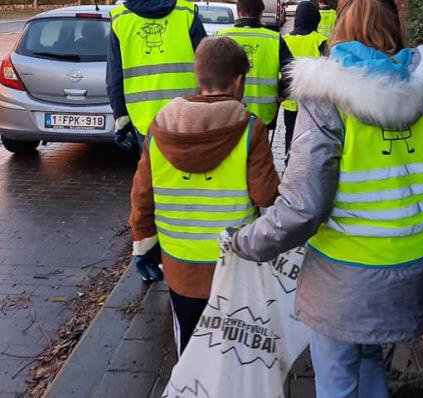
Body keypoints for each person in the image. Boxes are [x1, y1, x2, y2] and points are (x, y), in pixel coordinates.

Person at [222, 0, 423, 396]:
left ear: (341, 29)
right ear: (396, 27)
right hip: (413, 274)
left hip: (342, 283)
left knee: (337, 380)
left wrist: (245, 241)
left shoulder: (326, 98)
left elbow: (303, 208)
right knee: (370, 356)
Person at [129, 36, 280, 355]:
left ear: (199, 77)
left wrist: (143, 245)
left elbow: (142, 195)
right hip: (232, 265)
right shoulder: (250, 129)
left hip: (179, 264)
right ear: (239, 81)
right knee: (231, 348)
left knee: (188, 349)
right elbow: (266, 195)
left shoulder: (160, 128)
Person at [106, 0, 207, 154]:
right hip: (187, 114)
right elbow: (207, 64)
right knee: (189, 173)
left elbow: (115, 74)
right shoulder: (186, 12)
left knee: (153, 174)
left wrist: (121, 115)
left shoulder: (121, 18)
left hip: (144, 118)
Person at [217, 0, 293, 131]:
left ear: (239, 12)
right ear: (260, 13)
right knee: (259, 149)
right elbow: (292, 71)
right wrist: (281, 94)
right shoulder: (274, 39)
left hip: (228, 112)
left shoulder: (222, 37)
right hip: (264, 114)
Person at [280, 1, 327, 154]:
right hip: (312, 102)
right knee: (310, 138)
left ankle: (288, 162)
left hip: (290, 100)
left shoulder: (285, 39)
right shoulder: (320, 41)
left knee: (290, 133)